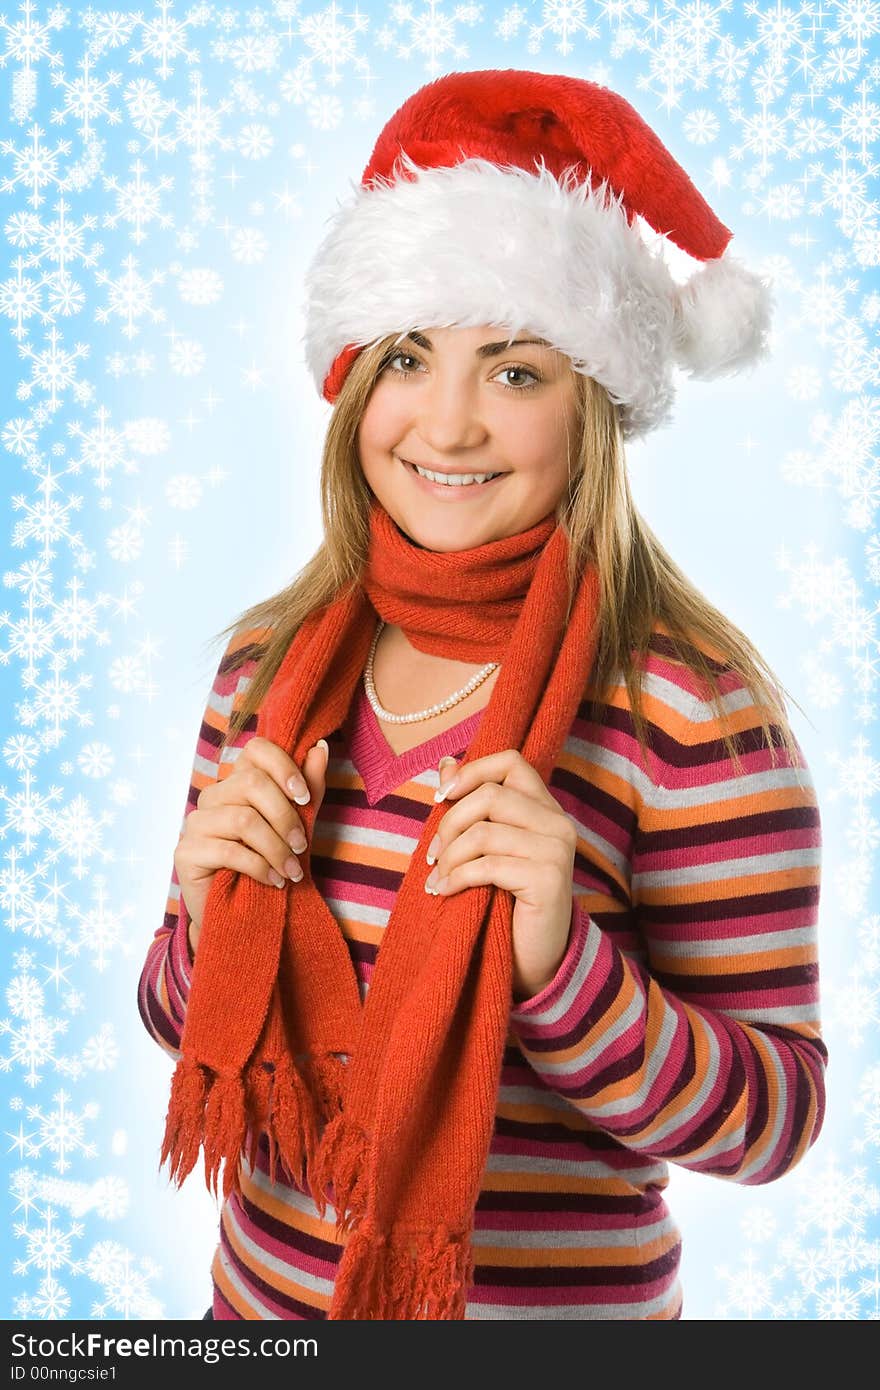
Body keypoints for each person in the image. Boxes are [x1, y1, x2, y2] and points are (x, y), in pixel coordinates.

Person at [138, 68, 827, 1322]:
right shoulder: (268, 676)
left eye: (514, 372)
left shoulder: (688, 711)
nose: (446, 425)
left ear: (596, 411)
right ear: (353, 388)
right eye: (408, 357)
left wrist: (563, 964)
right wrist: (196, 913)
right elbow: (182, 1018)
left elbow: (774, 1120)